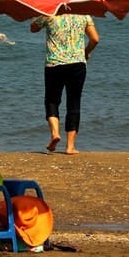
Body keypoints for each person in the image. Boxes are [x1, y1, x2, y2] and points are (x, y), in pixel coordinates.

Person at [30, 14, 99, 154]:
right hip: (77, 64)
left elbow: (33, 28)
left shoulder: (49, 14)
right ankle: (70, 146)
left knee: (52, 100)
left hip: (54, 64)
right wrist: (85, 52)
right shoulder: (84, 15)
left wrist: (36, 12)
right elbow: (95, 39)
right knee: (74, 103)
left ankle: (55, 133)